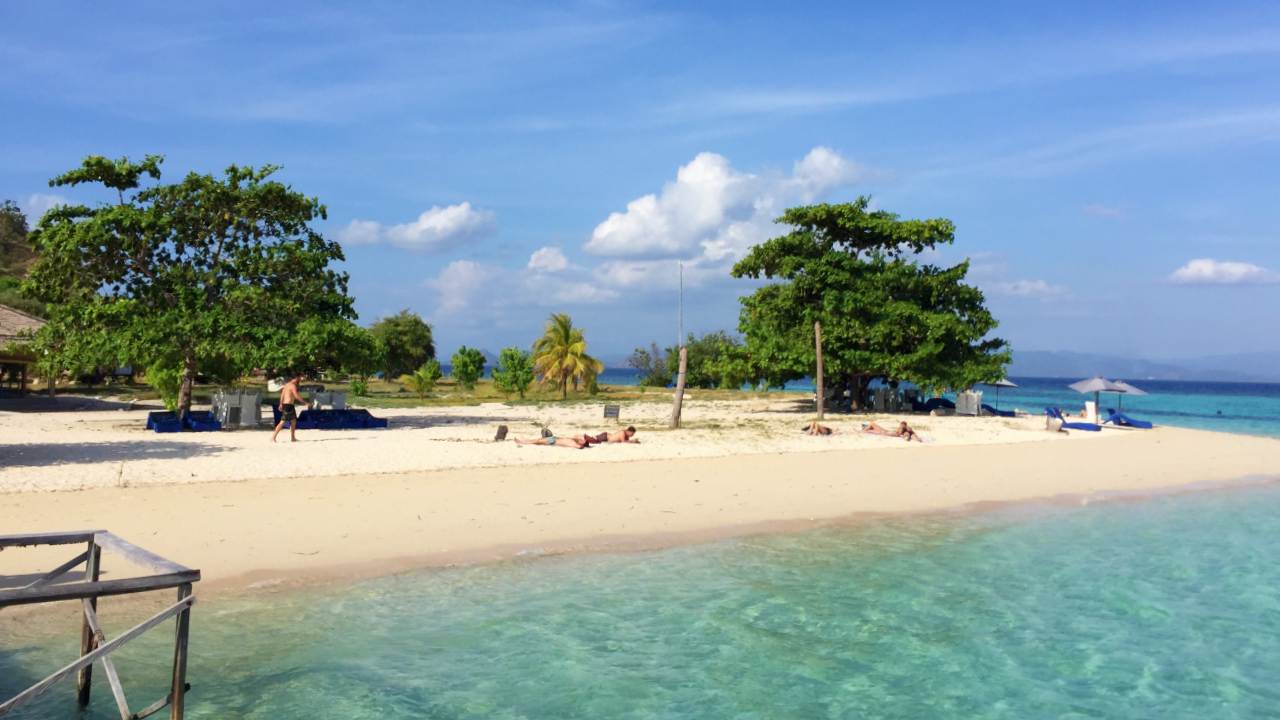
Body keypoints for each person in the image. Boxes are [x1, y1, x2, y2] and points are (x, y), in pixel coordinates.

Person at [272, 375, 313, 443]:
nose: (300, 380)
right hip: (288, 405)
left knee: (293, 421)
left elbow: (282, 395)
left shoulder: (286, 385)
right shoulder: (292, 385)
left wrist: (281, 403)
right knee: (283, 422)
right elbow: (296, 396)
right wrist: (305, 403)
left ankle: (293, 438)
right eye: (299, 378)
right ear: (296, 378)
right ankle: (273, 437)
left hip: (288, 405)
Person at [515, 434, 587, 449]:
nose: (581, 439)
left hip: (553, 441)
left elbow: (579, 447)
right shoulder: (573, 440)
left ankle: (523, 442)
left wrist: (582, 445)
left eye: (582, 441)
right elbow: (576, 436)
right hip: (554, 439)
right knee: (538, 440)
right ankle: (526, 440)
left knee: (537, 441)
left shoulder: (573, 443)